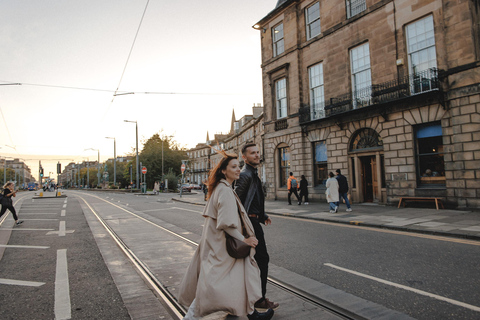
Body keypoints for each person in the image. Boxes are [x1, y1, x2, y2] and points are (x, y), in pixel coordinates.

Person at [178, 150, 274, 320]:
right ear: (224, 170)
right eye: (234, 167)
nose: (238, 170)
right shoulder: (225, 191)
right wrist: (245, 239)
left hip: (216, 245)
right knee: (214, 284)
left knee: (228, 281)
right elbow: (226, 223)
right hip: (221, 247)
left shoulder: (222, 188)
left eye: (239, 166)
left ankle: (247, 313)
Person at [235, 143, 279, 312]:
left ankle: (255, 297)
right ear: (244, 157)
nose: (256, 155)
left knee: (254, 261)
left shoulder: (252, 174)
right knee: (262, 259)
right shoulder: (246, 175)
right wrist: (245, 229)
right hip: (250, 225)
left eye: (257, 152)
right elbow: (237, 202)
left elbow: (252, 199)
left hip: (254, 221)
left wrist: (263, 215)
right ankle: (259, 299)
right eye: (252, 153)